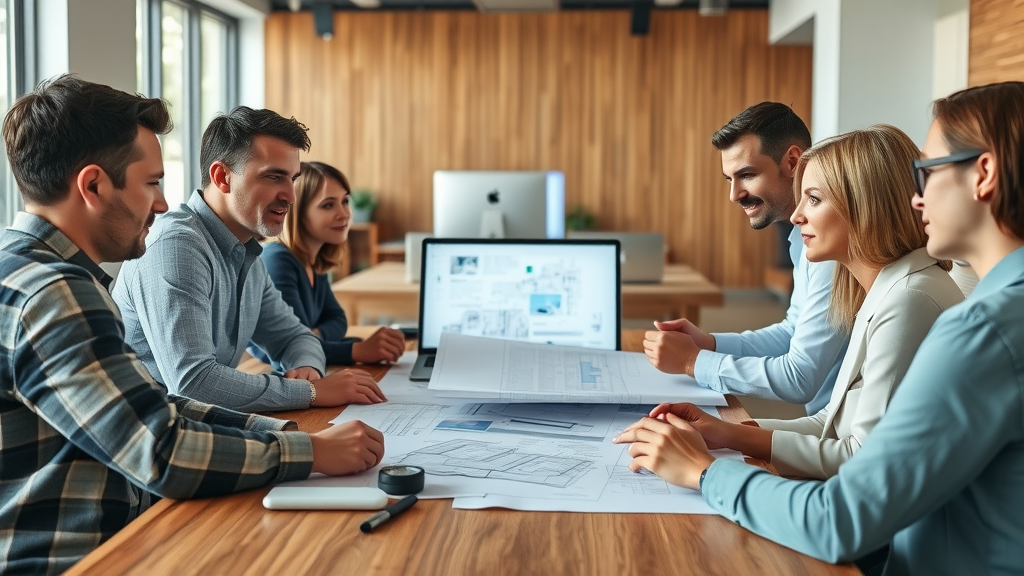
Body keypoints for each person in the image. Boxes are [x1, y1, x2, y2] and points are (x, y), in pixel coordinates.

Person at [614, 81, 1024, 575]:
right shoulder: (954, 304)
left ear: (984, 175)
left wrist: (704, 472)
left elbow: (843, 517)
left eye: (929, 172)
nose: (919, 199)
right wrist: (732, 435)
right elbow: (837, 421)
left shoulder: (975, 327)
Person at [0, 76, 385, 575]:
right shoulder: (57, 294)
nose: (161, 204)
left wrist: (286, 428)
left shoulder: (30, 272)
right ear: (93, 185)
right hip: (82, 555)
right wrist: (306, 447)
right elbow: (162, 451)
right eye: (152, 183)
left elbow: (160, 407)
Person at [650, 125, 963, 480]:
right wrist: (725, 431)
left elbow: (863, 460)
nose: (797, 216)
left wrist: (711, 462)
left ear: (864, 206)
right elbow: (831, 421)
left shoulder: (908, 300)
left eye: (812, 199)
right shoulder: (881, 288)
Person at [112, 107, 386, 413]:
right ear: (222, 177)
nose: (291, 196)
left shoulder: (248, 252)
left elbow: (295, 337)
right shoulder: (176, 245)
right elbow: (193, 382)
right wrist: (307, 391)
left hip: (194, 429)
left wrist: (308, 368)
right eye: (274, 177)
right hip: (154, 442)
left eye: (292, 179)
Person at [644, 103, 849, 415]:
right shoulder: (802, 239)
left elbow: (799, 378)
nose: (734, 194)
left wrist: (692, 361)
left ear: (792, 162)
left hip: (836, 439)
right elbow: (793, 330)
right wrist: (709, 344)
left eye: (747, 175)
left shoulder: (830, 246)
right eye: (729, 179)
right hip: (823, 427)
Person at [250, 161, 404, 368]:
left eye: (345, 201)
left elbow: (338, 319)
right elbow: (294, 349)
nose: (345, 214)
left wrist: (317, 335)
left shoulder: (313, 261)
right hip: (262, 372)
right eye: (328, 205)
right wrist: (358, 350)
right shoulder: (277, 260)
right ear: (298, 212)